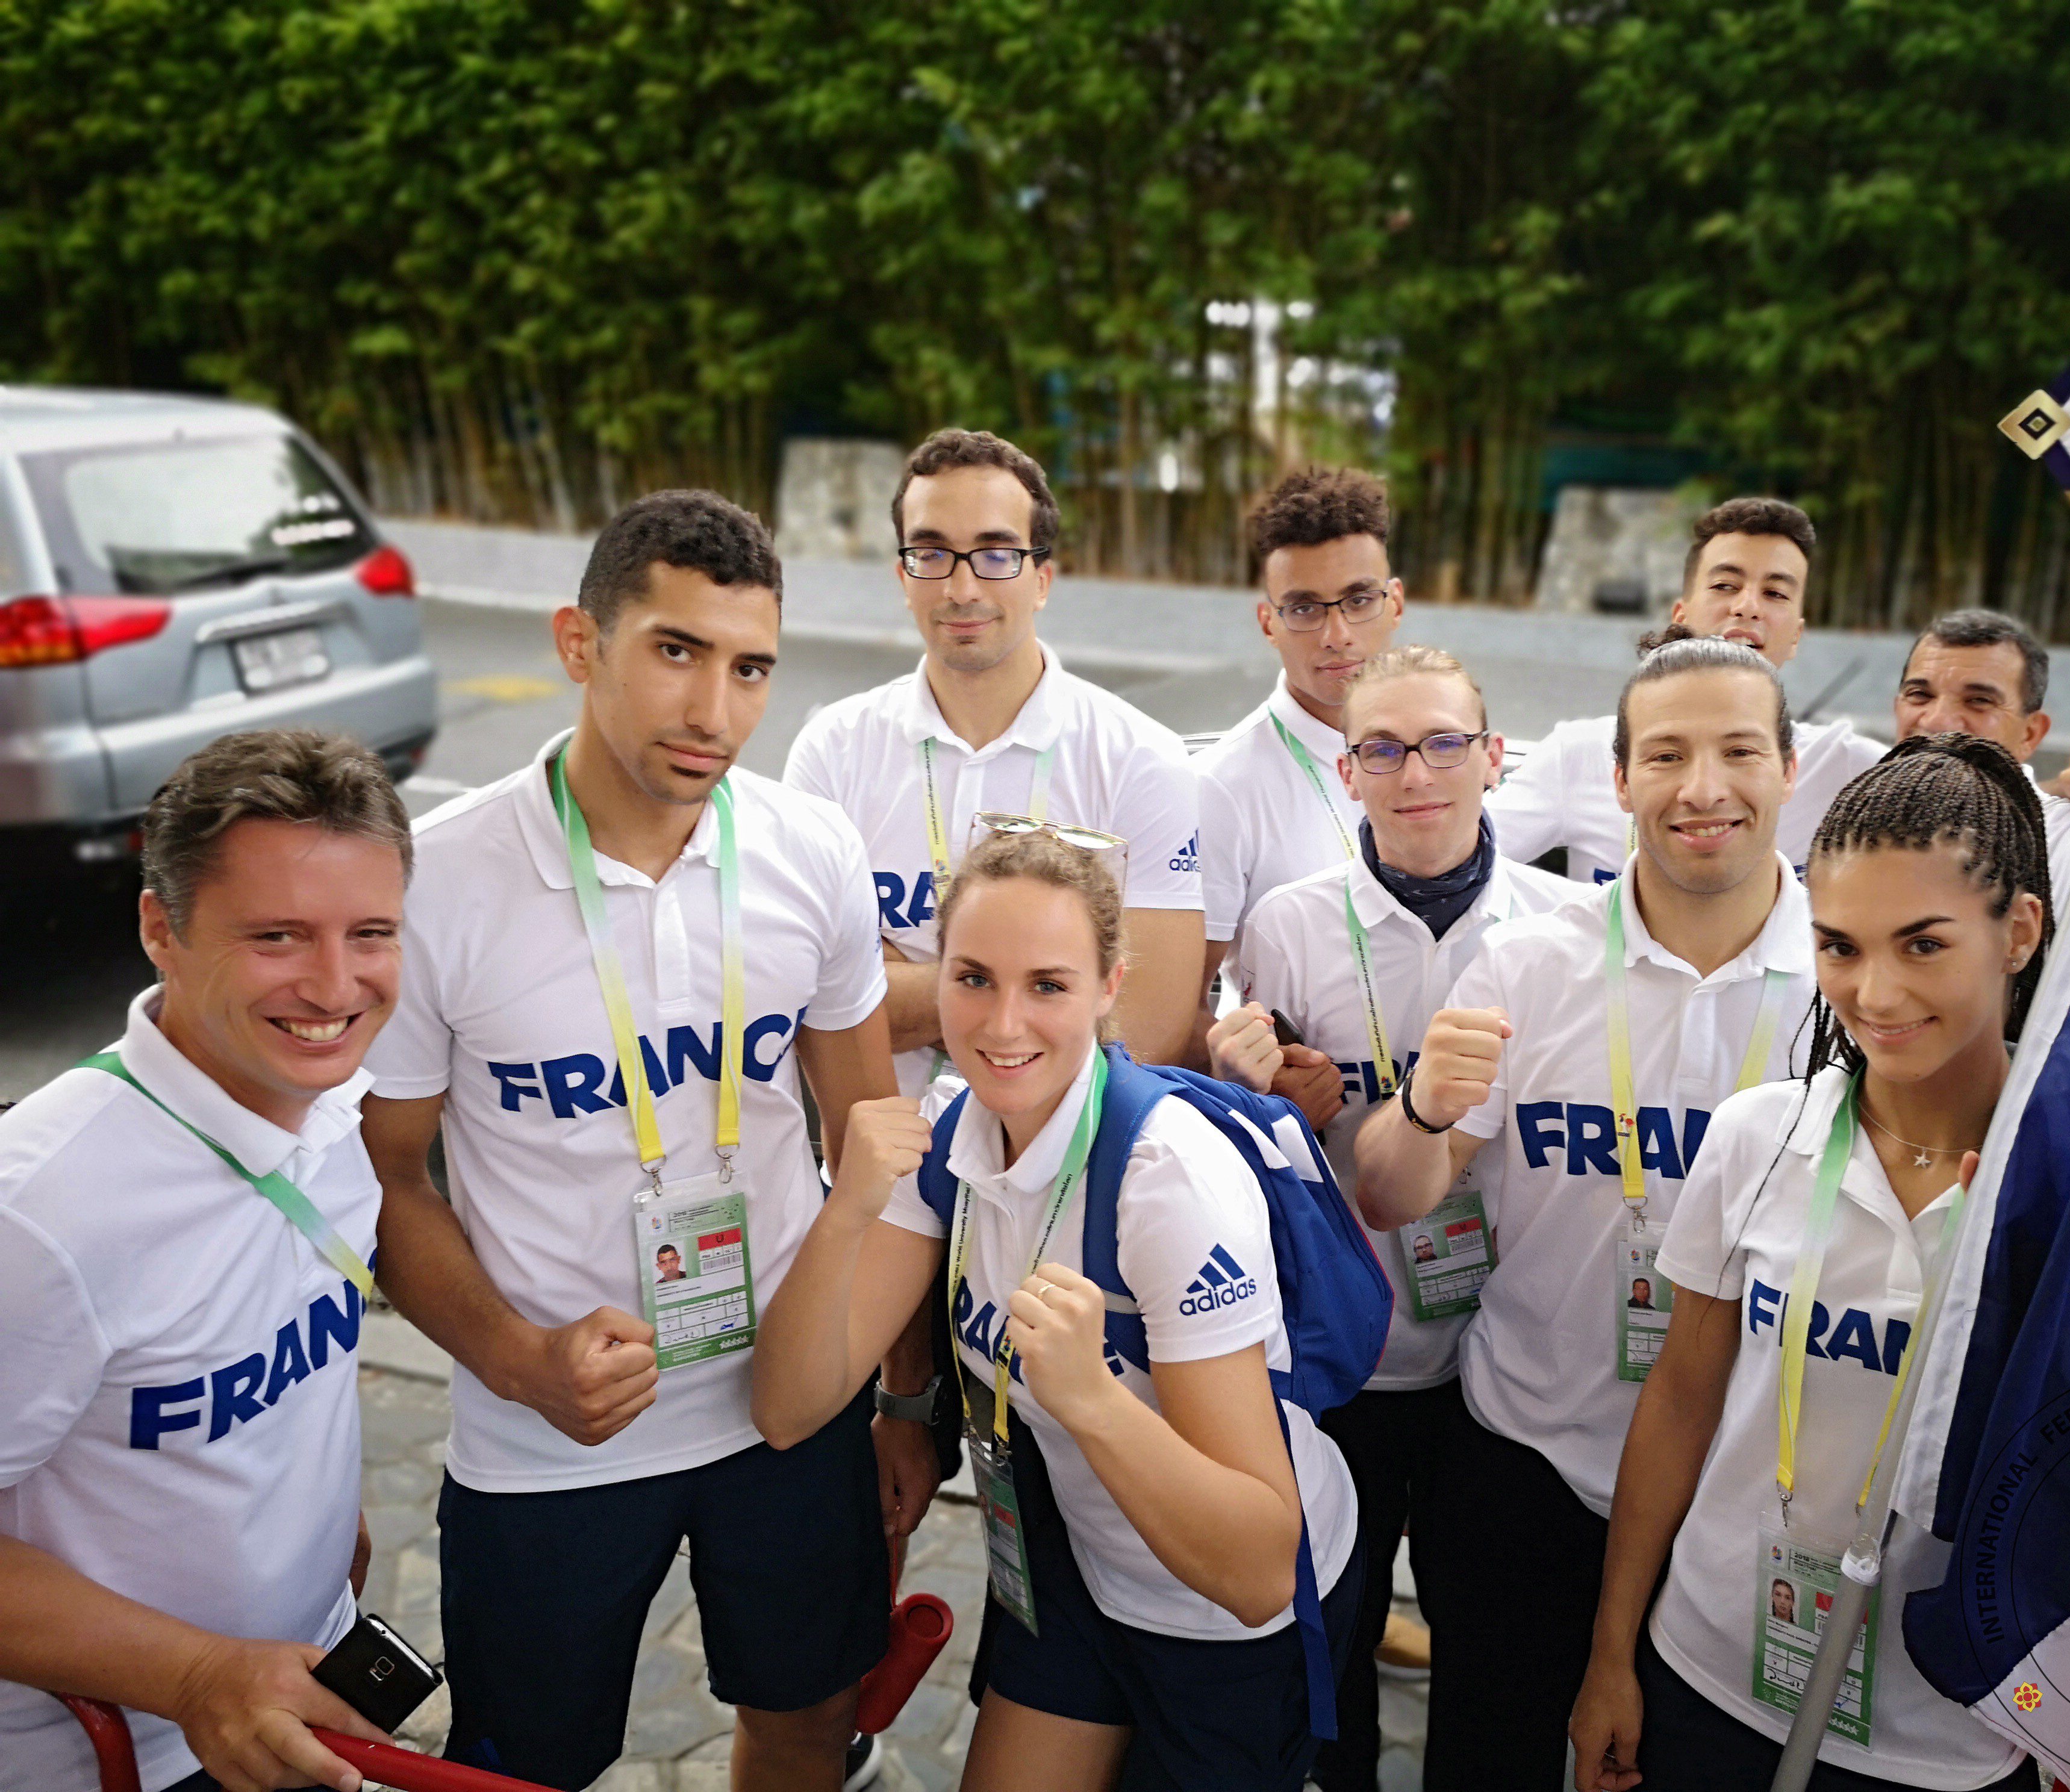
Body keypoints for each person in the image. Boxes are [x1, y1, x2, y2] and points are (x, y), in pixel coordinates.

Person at [362, 491, 909, 1792]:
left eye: (750, 668)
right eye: (675, 651)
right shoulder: (438, 880)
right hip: (552, 1436)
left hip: (789, 1411)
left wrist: (902, 1396)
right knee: (527, 1765)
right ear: (579, 643)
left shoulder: (811, 849)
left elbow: (875, 1147)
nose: (714, 708)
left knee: (805, 1725)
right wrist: (519, 1362)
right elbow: (383, 1180)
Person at [749, 826, 1362, 1791]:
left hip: (1225, 1626)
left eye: (1048, 985)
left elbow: (1255, 1571)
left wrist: (1094, 1400)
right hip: (1078, 1565)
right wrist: (847, 1209)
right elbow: (787, 1408)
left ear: (1109, 986)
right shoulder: (952, 1130)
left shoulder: (1165, 1182)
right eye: (973, 978)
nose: (1003, 1025)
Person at [1351, 632, 1818, 1790]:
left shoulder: (1844, 984)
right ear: (1617, 781)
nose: (1701, 787)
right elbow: (1391, 1195)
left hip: (1735, 1487)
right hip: (1525, 1457)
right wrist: (1420, 1108)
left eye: (1736, 751)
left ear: (1788, 769)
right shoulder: (1528, 964)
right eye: (1664, 755)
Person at [1567, 732, 2050, 1792]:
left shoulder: (2066, 1182)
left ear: (2016, 932)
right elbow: (1680, 1401)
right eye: (1839, 946)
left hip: (1943, 1732)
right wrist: (1611, 1654)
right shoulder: (1758, 1136)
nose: (1874, 992)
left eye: (1922, 945)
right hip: (1705, 1670)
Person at [0, 730, 413, 1792]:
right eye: (277, 936)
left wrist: (330, 1542)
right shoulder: (38, 1214)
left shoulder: (337, 1109)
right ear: (160, 929)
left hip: (306, 1688)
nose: (335, 986)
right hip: (117, 1759)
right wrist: (192, 1675)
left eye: (371, 933)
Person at [1204, 644, 1575, 1792]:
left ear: (1493, 758)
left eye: (1443, 743)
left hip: (1495, 1362)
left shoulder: (1565, 926)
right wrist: (1254, 1095)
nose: (1415, 774)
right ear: (1347, 769)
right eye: (1382, 749)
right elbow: (1246, 1155)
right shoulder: (1288, 924)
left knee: (1493, 1659)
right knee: (1335, 1635)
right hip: (1343, 1351)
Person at [786, 429, 1206, 1091]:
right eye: (931, 553)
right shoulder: (831, 751)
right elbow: (808, 1001)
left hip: (1071, 1150)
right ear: (902, 577)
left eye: (995, 555)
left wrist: (896, 982)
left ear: (1042, 580)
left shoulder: (1142, 760)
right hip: (886, 1145)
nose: (961, 588)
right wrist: (1049, 986)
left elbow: (1149, 1030)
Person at [1487, 497, 1883, 880]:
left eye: (1775, 593)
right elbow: (1466, 861)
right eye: (1725, 585)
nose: (1748, 607)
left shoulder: (1847, 769)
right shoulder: (1578, 755)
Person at [1191, 465, 1406, 1045]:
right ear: (1269, 623)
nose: (1337, 634)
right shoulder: (1220, 787)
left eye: (1358, 600)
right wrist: (1259, 1073)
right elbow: (1177, 1006)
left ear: (1395, 604)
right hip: (1293, 1095)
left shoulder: (1449, 754)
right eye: (1306, 608)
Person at [1894, 608, 2070, 904]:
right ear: (1897, 708)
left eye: (1979, 701)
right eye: (1920, 695)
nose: (1937, 720)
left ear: (2030, 734)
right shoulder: (1849, 810)